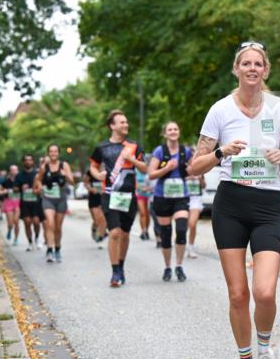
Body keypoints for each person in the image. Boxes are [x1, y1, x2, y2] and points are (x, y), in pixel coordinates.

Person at [188, 41, 280, 359]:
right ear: (236, 70)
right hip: (231, 204)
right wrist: (222, 151)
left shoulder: (279, 107)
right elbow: (195, 166)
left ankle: (265, 350)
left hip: (268, 203)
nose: (252, 69)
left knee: (264, 292)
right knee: (238, 294)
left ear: (265, 70)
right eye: (246, 64)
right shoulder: (220, 110)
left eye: (258, 64)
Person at [90, 110, 147, 287]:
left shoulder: (134, 146)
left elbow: (145, 168)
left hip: (129, 196)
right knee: (114, 232)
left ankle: (121, 265)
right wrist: (97, 175)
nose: (125, 125)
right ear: (112, 126)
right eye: (121, 122)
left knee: (124, 234)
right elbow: (93, 166)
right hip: (110, 195)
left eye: (126, 122)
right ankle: (115, 272)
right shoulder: (102, 148)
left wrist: (132, 159)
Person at [147, 121, 197, 281]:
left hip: (181, 196)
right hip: (162, 196)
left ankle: (179, 266)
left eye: (175, 128)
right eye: (170, 129)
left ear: (179, 132)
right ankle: (167, 267)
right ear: (165, 133)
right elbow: (151, 174)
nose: (173, 131)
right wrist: (167, 168)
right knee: (166, 234)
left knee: (182, 230)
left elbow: (193, 169)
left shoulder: (186, 151)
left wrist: (191, 171)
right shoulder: (160, 151)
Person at [35, 144, 75, 263]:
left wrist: (65, 175)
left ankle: (57, 248)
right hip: (48, 198)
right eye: (51, 152)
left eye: (55, 151)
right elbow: (38, 179)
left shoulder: (64, 165)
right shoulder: (44, 167)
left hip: (61, 198)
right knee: (49, 223)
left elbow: (72, 182)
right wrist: (40, 187)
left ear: (58, 153)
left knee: (58, 227)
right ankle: (50, 249)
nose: (53, 154)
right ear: (48, 153)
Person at [16, 154, 42, 251]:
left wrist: (37, 190)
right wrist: (20, 188)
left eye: (30, 160)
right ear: (23, 162)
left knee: (36, 222)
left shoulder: (38, 174)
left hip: (36, 202)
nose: (28, 162)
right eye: (26, 160)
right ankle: (30, 242)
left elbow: (41, 187)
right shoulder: (19, 176)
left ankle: (37, 238)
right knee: (27, 222)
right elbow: (15, 188)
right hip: (25, 202)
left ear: (33, 162)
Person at [84, 160, 108, 246]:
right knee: (97, 220)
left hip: (103, 197)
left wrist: (105, 189)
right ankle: (94, 229)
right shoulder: (91, 171)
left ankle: (101, 236)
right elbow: (86, 183)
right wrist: (91, 189)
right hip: (93, 197)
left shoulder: (107, 170)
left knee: (103, 218)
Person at [1, 164, 21, 244]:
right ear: (10, 171)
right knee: (10, 223)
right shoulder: (6, 181)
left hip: (18, 202)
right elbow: (0, 191)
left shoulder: (20, 180)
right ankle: (9, 229)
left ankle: (16, 239)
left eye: (15, 170)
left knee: (16, 221)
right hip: (9, 201)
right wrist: (4, 191)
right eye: (12, 170)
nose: (14, 171)